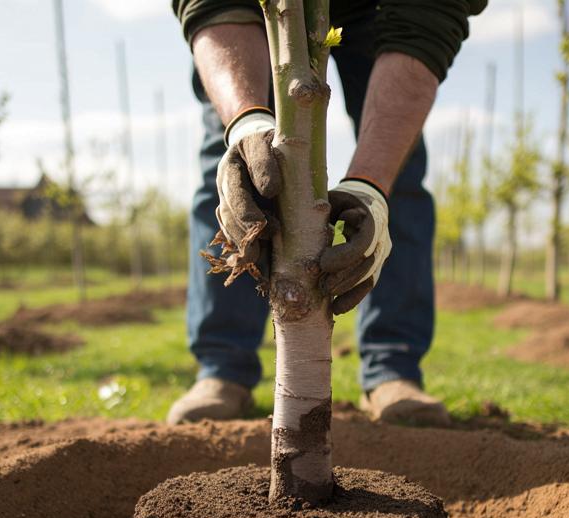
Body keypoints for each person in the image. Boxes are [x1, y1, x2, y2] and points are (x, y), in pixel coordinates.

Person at [167, 0, 487, 426]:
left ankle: (393, 367)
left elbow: (426, 23)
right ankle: (222, 368)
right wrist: (244, 122)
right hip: (255, 6)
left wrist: (371, 187)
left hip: (382, 8)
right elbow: (212, 6)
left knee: (398, 169)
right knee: (231, 163)